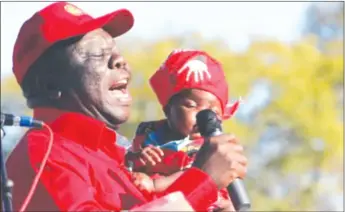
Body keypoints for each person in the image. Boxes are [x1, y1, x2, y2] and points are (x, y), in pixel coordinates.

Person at [6, 2, 248, 211]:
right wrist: (201, 181)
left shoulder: (121, 156)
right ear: (49, 85)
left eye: (116, 52)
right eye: (98, 54)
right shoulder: (44, 156)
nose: (120, 60)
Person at [125, 49, 241, 211]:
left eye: (212, 112)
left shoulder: (208, 148)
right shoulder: (149, 133)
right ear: (168, 109)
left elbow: (197, 174)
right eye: (191, 105)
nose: (203, 116)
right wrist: (139, 158)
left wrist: (156, 184)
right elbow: (126, 162)